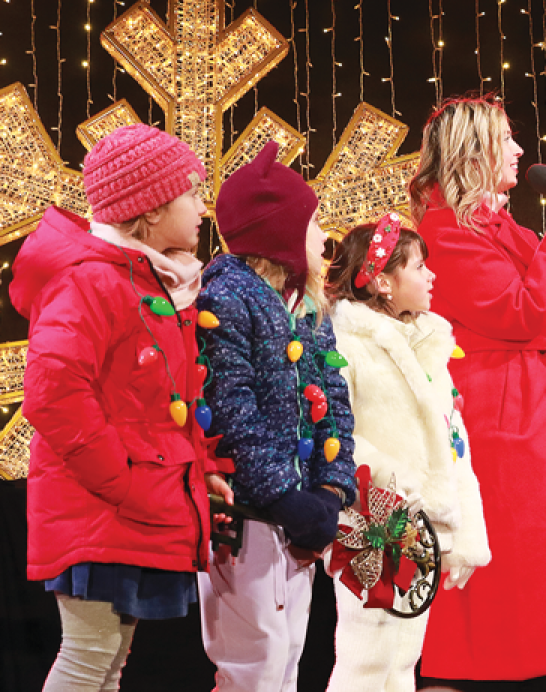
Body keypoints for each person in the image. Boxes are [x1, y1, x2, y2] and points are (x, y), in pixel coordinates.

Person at [11, 124, 231, 691]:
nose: (202, 206)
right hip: (101, 507)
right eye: (191, 192)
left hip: (136, 502)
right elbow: (54, 393)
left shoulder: (154, 283)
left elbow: (164, 403)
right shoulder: (91, 281)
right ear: (151, 209)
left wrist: (198, 470)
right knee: (89, 657)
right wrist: (125, 481)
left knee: (108, 663)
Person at [408, 96, 546, 689]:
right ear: (474, 152)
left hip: (537, 414)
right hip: (505, 421)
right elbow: (522, 312)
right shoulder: (444, 233)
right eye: (507, 138)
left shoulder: (499, 227)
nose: (520, 151)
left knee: (539, 580)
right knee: (510, 584)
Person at [196, 142, 357, 692]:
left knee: (288, 654)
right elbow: (231, 407)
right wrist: (284, 498)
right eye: (312, 225)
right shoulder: (227, 296)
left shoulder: (307, 307)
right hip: (249, 514)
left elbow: (334, 398)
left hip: (299, 517)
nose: (323, 239)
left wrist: (331, 492)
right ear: (278, 232)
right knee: (254, 663)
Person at [324, 215, 490, 692]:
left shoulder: (432, 350)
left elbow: (454, 442)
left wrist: (463, 531)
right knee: (366, 658)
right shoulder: (346, 345)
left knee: (402, 661)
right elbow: (337, 431)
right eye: (419, 267)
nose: (431, 276)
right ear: (382, 282)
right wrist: (395, 481)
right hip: (373, 523)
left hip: (425, 529)